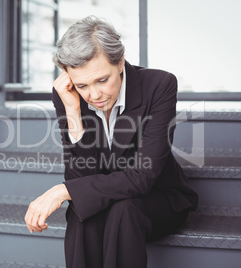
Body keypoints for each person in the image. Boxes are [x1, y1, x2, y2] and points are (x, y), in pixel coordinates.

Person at [24, 15, 198, 268]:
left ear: (119, 62)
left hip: (158, 198)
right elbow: (80, 177)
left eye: (102, 80)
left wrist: (63, 191)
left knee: (121, 210)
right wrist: (73, 113)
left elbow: (143, 177)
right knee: (83, 212)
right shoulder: (68, 95)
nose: (94, 95)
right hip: (108, 197)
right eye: (82, 85)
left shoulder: (159, 85)